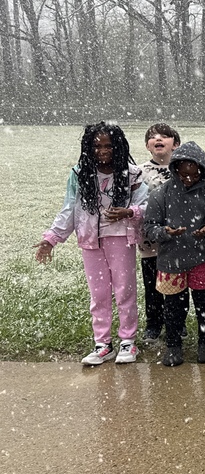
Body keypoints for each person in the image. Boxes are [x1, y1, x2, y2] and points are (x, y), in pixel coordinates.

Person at [34, 123, 148, 366]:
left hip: (120, 239)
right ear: (88, 148)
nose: (103, 151)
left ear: (118, 146)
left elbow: (148, 205)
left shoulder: (132, 173)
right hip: (90, 241)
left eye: (108, 146)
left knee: (125, 290)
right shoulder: (79, 174)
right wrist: (51, 238)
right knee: (98, 294)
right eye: (97, 146)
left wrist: (129, 211)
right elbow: (69, 209)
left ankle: (128, 341)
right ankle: (102, 344)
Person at [144, 141, 205, 366]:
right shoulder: (161, 194)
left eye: (193, 175)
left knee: (203, 302)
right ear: (175, 169)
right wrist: (165, 232)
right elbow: (148, 228)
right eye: (184, 174)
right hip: (170, 260)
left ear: (202, 172)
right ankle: (174, 344)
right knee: (174, 305)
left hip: (200, 257)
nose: (188, 179)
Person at [138, 123, 180, 342]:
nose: (158, 139)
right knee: (152, 285)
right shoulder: (139, 172)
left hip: (176, 242)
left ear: (176, 144)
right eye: (153, 137)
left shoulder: (182, 170)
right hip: (150, 242)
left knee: (176, 286)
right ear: (147, 145)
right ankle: (153, 323)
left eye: (165, 136)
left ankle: (177, 322)